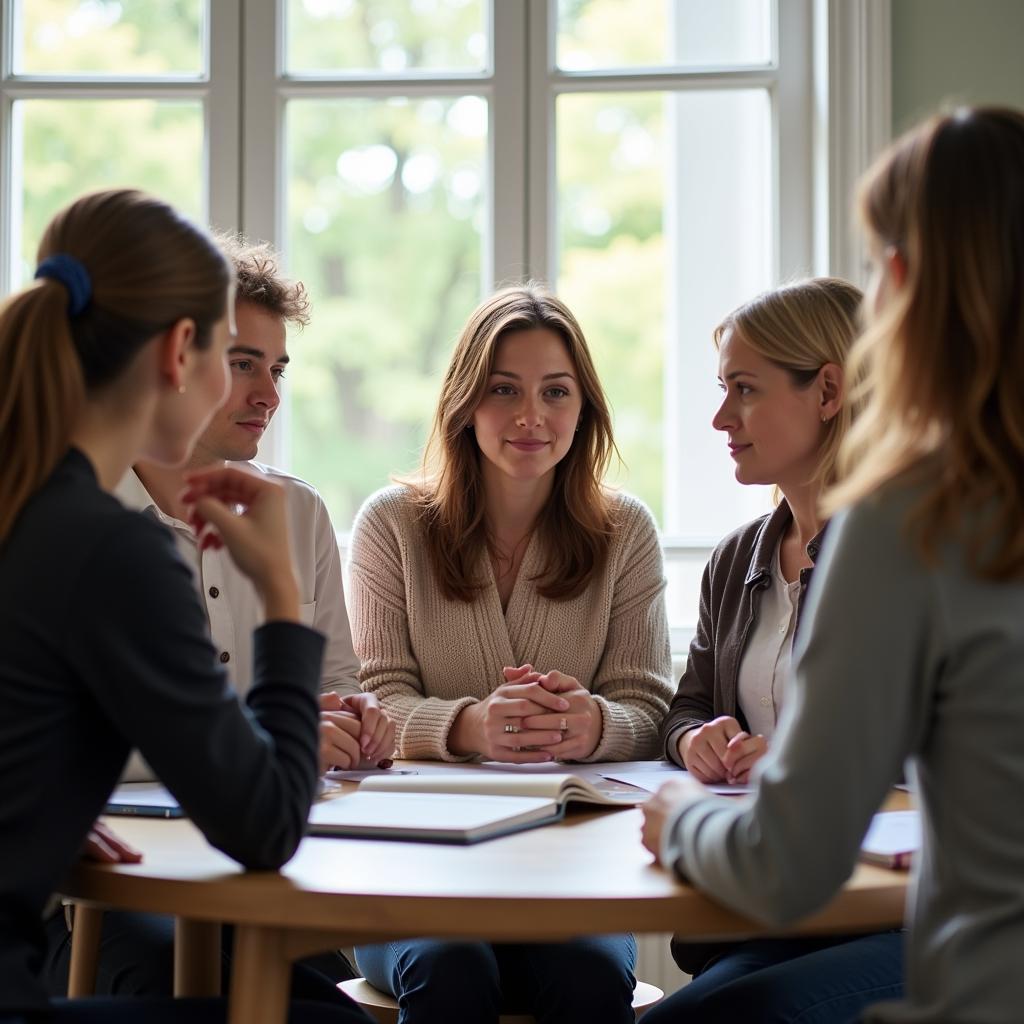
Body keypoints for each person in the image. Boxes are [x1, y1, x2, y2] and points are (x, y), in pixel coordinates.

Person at [642, 105, 1024, 1024]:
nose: (722, 417)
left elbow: (788, 861)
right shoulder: (760, 553)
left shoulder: (911, 519)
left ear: (898, 281)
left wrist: (677, 815)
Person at [0, 188, 369, 1024]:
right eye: (230, 357)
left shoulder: (24, 503)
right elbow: (266, 827)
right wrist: (279, 591)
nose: (260, 393)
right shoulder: (108, 545)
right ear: (178, 353)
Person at [348, 284, 674, 1023]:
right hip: (416, 873)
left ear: (584, 408)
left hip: (574, 874)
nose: (532, 416)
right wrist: (470, 728)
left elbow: (649, 707)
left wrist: (592, 724)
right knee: (450, 970)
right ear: (465, 403)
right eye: (504, 390)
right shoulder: (392, 525)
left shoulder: (625, 530)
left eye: (556, 392)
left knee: (588, 977)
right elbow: (374, 699)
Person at [652, 277, 903, 1021]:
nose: (720, 416)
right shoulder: (738, 559)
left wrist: (803, 764)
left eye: (745, 389)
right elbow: (687, 706)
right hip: (789, 909)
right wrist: (698, 738)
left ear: (829, 390)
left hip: (913, 915)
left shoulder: (910, 553)